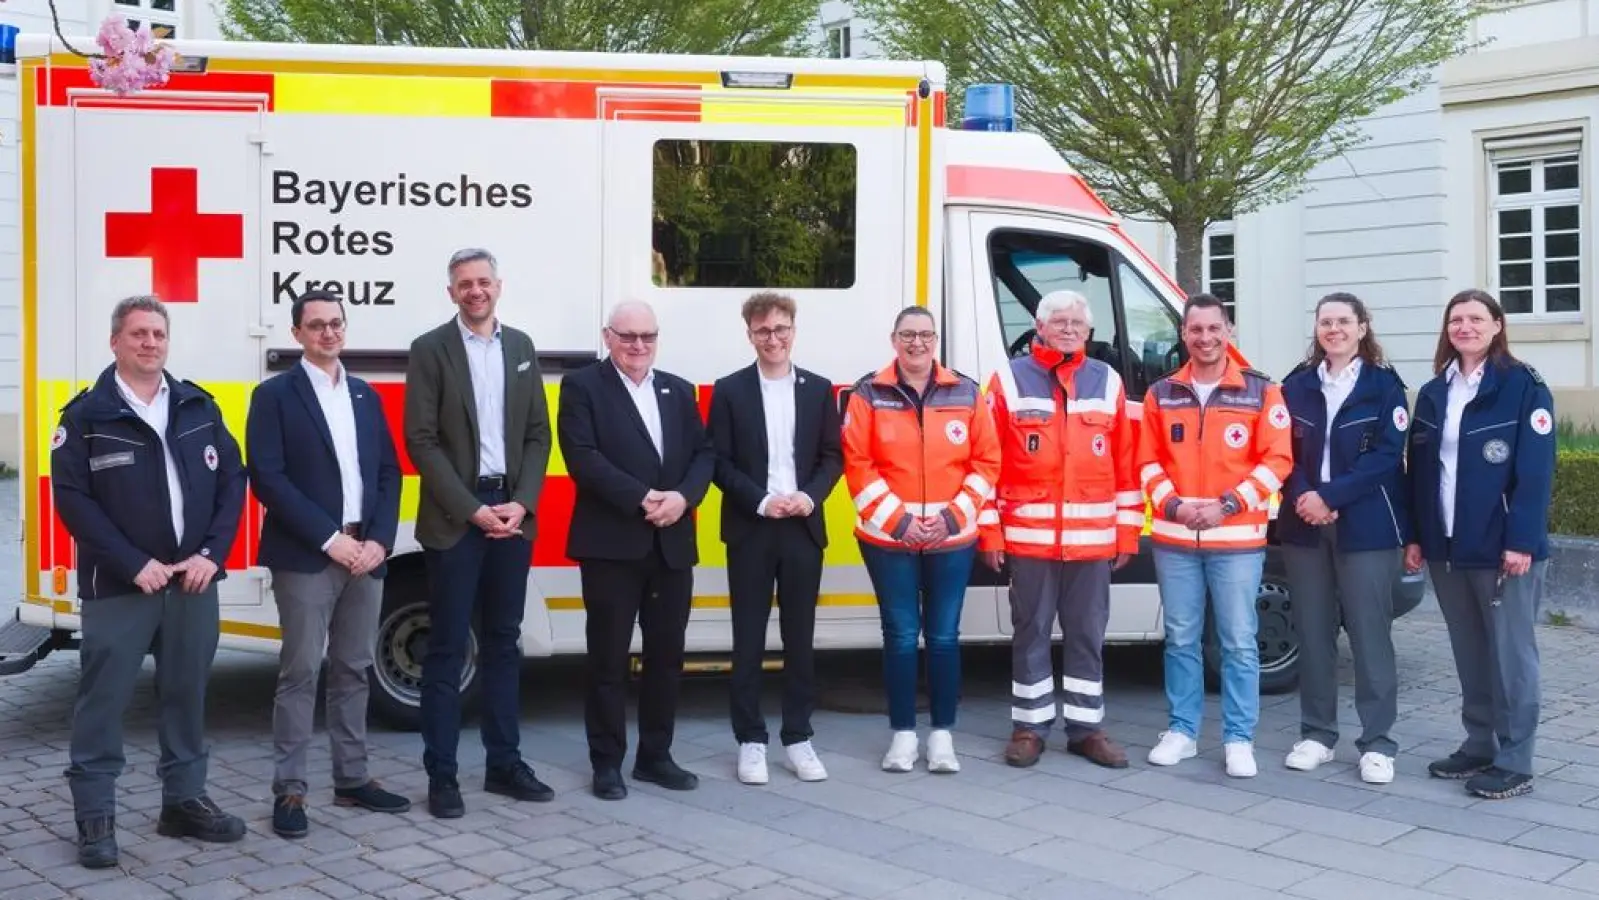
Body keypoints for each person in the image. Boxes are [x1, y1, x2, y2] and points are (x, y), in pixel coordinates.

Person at [51, 295, 248, 868]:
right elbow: (74, 502)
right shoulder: (85, 418)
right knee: (103, 704)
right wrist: (133, 562)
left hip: (191, 583)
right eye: (137, 334)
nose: (149, 343)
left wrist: (213, 553)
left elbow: (232, 481)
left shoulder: (197, 406)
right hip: (120, 587)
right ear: (115, 342)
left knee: (186, 696)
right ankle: (94, 819)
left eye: (158, 334)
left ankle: (183, 802)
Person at [247, 289, 408, 838]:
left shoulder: (365, 396)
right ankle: (290, 790)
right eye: (316, 325)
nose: (328, 333)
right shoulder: (274, 398)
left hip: (367, 554)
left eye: (336, 323)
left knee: (354, 669)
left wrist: (380, 541)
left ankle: (352, 778)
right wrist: (327, 538)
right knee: (299, 672)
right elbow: (268, 477)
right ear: (297, 334)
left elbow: (389, 472)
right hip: (307, 556)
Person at [403, 248, 554, 818]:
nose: (475, 291)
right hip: (455, 519)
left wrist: (522, 503)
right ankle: (442, 776)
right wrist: (472, 509)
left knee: (503, 644)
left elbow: (538, 434)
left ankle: (503, 765)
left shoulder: (519, 346)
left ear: (499, 286)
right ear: (451, 293)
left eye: (483, 281)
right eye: (464, 284)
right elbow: (421, 441)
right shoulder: (429, 349)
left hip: (511, 516)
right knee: (445, 649)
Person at [558, 300, 715, 801]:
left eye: (647, 336)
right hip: (612, 545)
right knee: (607, 659)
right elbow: (581, 456)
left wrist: (683, 497)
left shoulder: (677, 389)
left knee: (667, 657)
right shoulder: (582, 386)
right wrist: (642, 498)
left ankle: (655, 755)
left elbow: (704, 454)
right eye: (628, 336)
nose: (638, 345)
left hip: (671, 545)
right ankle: (607, 762)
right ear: (608, 337)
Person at [979, 291, 1139, 770]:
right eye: (1059, 321)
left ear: (1088, 332)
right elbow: (986, 463)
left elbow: (1126, 464)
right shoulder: (1008, 379)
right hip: (1029, 541)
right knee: (1030, 632)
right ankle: (1029, 728)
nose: (1069, 329)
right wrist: (990, 532)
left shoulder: (1107, 380)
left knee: (1088, 633)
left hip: (1092, 543)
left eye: (1077, 323)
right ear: (1039, 326)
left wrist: (1127, 533)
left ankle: (1086, 729)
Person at [1405, 288, 1554, 800]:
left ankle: (1516, 757)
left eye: (1475, 318)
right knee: (1469, 650)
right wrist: (1417, 536)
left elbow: (1535, 474)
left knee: (1511, 654)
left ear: (1496, 325)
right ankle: (1479, 743)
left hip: (1502, 550)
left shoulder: (1523, 387)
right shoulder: (1433, 392)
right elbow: (1421, 472)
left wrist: (1522, 542)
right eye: (1455, 320)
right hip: (1448, 546)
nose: (1464, 327)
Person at [1137, 293, 1293, 778]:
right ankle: (1182, 731)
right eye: (1195, 330)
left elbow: (1278, 461)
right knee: (1181, 639)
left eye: (1214, 328)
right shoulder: (1161, 393)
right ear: (1183, 335)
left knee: (1239, 642)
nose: (1205, 338)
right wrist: (1176, 505)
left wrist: (1227, 505)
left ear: (1229, 332)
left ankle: (1238, 738)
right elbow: (1146, 461)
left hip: (1237, 541)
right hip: (1176, 537)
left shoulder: (1262, 392)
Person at [841, 306, 1001, 774]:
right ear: (894, 339)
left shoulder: (966, 391)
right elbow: (858, 462)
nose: (917, 343)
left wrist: (951, 518)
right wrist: (898, 520)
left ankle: (943, 737)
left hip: (952, 539)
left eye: (926, 335)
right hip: (888, 540)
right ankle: (903, 735)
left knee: (945, 636)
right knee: (902, 635)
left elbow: (986, 461)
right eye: (908, 335)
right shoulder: (868, 392)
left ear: (936, 340)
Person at [708, 292, 843, 785]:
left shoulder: (818, 389)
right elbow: (718, 461)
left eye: (781, 328)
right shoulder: (729, 391)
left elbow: (833, 456)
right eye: (763, 330)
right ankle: (750, 740)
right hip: (752, 527)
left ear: (794, 331)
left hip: (803, 527)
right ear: (750, 335)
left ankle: (798, 737)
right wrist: (762, 500)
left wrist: (809, 496)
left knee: (800, 638)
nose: (773, 338)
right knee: (747, 638)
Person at [1278, 292, 1410, 785]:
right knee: (1313, 632)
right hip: (1304, 525)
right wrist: (1306, 495)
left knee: (1370, 634)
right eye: (1325, 321)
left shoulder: (1384, 387)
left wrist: (1331, 496)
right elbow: (1279, 452)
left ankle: (1378, 742)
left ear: (1362, 328)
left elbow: (1385, 458)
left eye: (1343, 321)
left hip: (1367, 526)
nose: (1333, 329)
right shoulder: (1295, 386)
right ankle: (1317, 734)